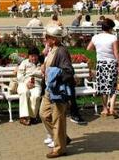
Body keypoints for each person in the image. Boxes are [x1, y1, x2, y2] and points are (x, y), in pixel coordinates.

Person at [40, 26, 74, 158]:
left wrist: (55, 75)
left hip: (58, 91)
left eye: (47, 37)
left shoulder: (62, 51)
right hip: (49, 89)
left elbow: (69, 71)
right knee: (43, 114)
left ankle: (60, 149)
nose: (45, 38)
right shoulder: (51, 49)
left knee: (58, 119)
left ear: (53, 39)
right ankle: (62, 137)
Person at [87, 19, 119, 117]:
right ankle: (112, 108)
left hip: (101, 64)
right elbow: (116, 52)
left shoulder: (96, 37)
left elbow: (88, 48)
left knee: (102, 87)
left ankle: (105, 109)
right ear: (110, 28)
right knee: (113, 87)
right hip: (111, 63)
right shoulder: (113, 38)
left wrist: (98, 51)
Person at [16, 47, 43, 125]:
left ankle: (32, 117)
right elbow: (19, 75)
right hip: (24, 83)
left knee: (36, 96)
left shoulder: (41, 64)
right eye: (32, 56)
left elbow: (44, 76)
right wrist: (26, 83)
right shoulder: (24, 63)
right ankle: (23, 117)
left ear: (38, 56)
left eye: (35, 56)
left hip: (36, 84)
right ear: (29, 56)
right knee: (24, 92)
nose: (33, 58)